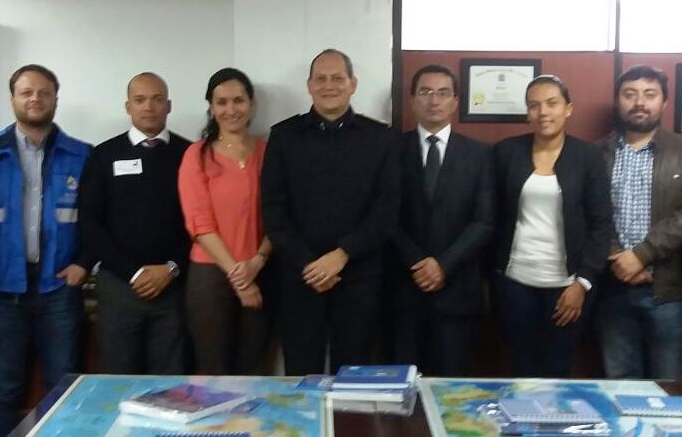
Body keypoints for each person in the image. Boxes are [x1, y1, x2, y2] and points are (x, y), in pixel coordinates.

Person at [261, 49, 400, 375]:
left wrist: (342, 254)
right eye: (320, 79)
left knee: (354, 378)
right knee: (300, 374)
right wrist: (309, 263)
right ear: (309, 86)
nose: (329, 86)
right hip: (300, 277)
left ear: (353, 84)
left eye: (337, 78)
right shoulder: (284, 137)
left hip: (359, 277)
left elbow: (387, 210)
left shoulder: (382, 139)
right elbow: (273, 208)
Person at [0, 64, 92, 437]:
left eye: (44, 92)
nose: (35, 99)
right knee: (2, 390)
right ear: (12, 99)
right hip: (2, 292)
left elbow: (97, 219)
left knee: (64, 390)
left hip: (59, 292)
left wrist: (84, 263)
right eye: (26, 92)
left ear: (56, 98)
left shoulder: (83, 156)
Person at [490, 75, 612, 378]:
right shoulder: (506, 152)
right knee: (520, 366)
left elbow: (601, 223)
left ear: (568, 108)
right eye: (534, 106)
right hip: (514, 280)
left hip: (567, 285)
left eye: (551, 103)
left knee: (557, 367)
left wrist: (583, 282)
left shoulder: (588, 156)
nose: (543, 112)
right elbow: (490, 216)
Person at [594, 65, 682, 381]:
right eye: (630, 94)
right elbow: (590, 215)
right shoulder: (595, 154)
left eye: (649, 94)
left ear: (665, 102)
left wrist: (640, 255)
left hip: (669, 290)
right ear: (618, 101)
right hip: (612, 288)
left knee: (670, 387)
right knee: (620, 384)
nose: (639, 102)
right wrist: (618, 256)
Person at [385, 64, 493, 376]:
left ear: (455, 102)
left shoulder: (480, 155)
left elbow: (484, 221)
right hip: (403, 289)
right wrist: (417, 262)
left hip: (457, 290)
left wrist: (443, 264)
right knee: (401, 389)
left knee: (452, 388)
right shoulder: (391, 150)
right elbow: (384, 214)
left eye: (443, 93)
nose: (434, 100)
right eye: (426, 92)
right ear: (413, 100)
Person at [82, 72, 193, 375]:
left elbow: (198, 223)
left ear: (168, 106)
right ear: (127, 106)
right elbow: (90, 222)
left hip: (173, 285)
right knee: (118, 378)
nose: (149, 107)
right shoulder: (103, 155)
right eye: (140, 99)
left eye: (157, 99)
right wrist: (133, 272)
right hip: (119, 285)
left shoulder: (189, 154)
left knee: (170, 382)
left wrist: (171, 268)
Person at [178, 68, 273, 375]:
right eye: (221, 102)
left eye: (238, 100)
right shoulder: (197, 155)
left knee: (255, 369)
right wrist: (238, 276)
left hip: (262, 269)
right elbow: (200, 223)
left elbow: (280, 215)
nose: (230, 110)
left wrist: (257, 261)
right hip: (211, 275)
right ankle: (217, 427)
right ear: (211, 107)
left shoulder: (269, 152)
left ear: (251, 103)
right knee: (213, 369)